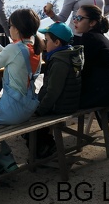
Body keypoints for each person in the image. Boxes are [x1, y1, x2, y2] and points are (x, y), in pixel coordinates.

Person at [0, 8, 43, 178]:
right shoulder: (34, 48)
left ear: (17, 29)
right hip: (28, 108)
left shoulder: (15, 49)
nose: (9, 28)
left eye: (11, 25)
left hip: (12, 110)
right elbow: (16, 56)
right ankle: (6, 159)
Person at [28, 22, 83, 159]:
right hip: (69, 102)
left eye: (47, 40)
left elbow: (53, 92)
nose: (44, 43)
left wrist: (39, 111)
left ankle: (45, 149)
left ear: (57, 42)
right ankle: (44, 145)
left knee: (26, 119)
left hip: (60, 106)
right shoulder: (70, 55)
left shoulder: (59, 63)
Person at [73, 5, 109, 119]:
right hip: (107, 93)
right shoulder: (97, 37)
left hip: (99, 95)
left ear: (92, 23)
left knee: (55, 100)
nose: (75, 20)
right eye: (75, 17)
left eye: (79, 18)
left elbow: (79, 69)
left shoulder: (90, 38)